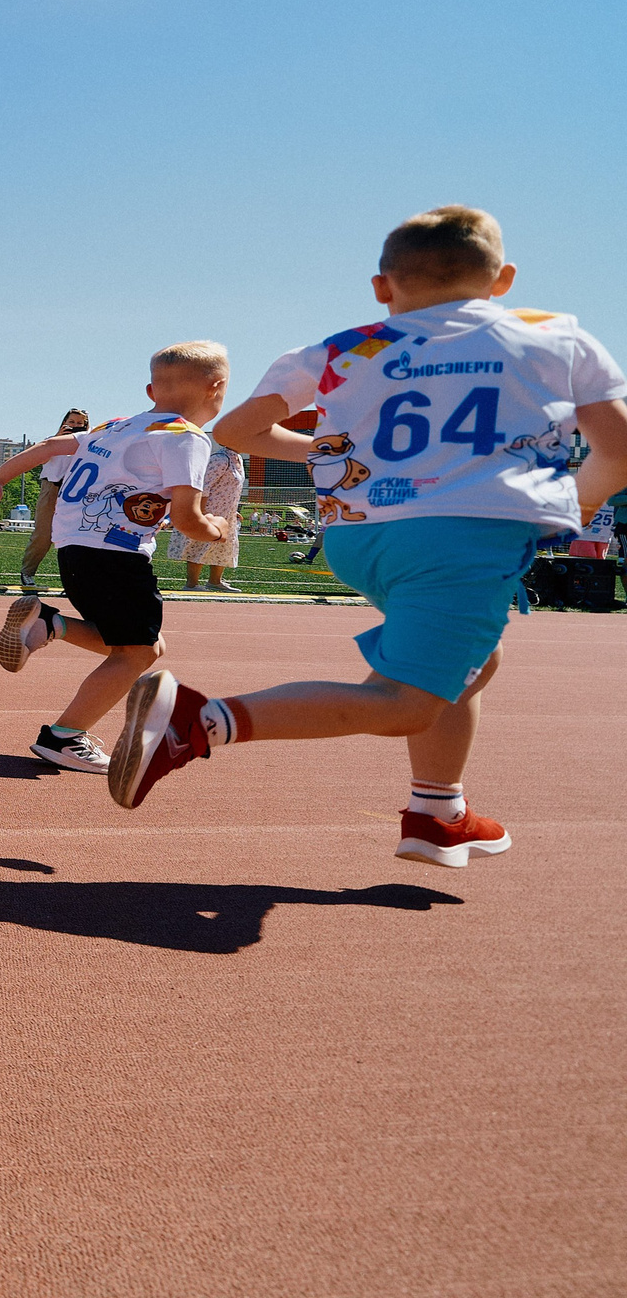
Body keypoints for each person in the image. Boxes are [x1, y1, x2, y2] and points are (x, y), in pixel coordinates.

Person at [106, 207, 627, 866]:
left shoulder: (343, 347)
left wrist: (323, 445)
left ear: (383, 286)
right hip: (461, 540)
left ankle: (438, 813)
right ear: (504, 280)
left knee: (471, 662)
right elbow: (619, 447)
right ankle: (195, 722)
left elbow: (236, 432)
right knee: (406, 701)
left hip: (359, 537)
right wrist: (581, 497)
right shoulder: (552, 335)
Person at [0, 344, 229, 772]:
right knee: (138, 653)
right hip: (116, 556)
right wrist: (217, 528)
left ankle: (48, 624)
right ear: (216, 389)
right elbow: (189, 518)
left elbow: (50, 446)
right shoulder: (186, 437)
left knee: (146, 645)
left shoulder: (117, 425)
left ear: (151, 390)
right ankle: (65, 736)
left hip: (73, 548)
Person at [16, 409, 91, 591]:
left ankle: (75, 580)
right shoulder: (51, 440)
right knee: (43, 535)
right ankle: (28, 572)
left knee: (75, 537)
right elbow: (39, 458)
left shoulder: (89, 441)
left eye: (79, 423)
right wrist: (59, 437)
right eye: (71, 422)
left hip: (76, 492)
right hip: (51, 487)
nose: (74, 426)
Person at [173, 442, 247, 592]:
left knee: (223, 547)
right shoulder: (220, 459)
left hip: (227, 514)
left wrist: (233, 510)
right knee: (200, 544)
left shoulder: (238, 459)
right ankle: (191, 584)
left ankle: (215, 581)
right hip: (210, 511)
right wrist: (200, 512)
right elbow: (203, 486)